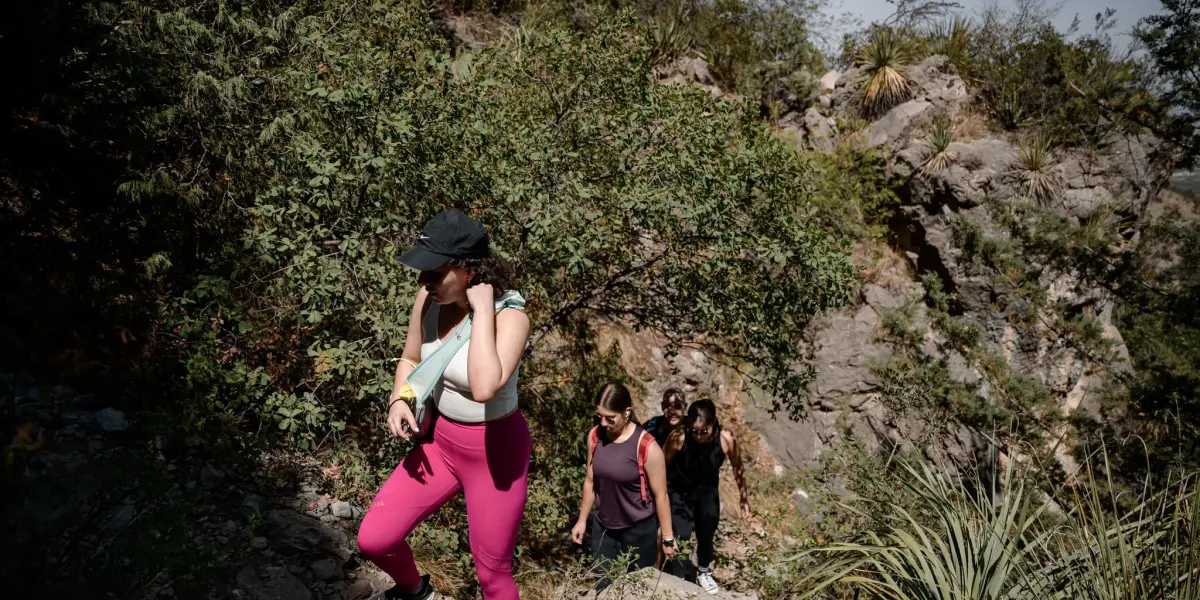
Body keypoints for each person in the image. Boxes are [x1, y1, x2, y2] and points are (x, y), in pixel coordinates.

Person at [357, 209, 532, 600]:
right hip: (442, 445)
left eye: (434, 273)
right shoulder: (428, 299)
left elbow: (484, 387)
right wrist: (398, 400)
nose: (424, 281)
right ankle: (416, 592)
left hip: (496, 455)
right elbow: (410, 359)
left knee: (492, 575)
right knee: (375, 539)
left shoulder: (511, 317)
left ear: (469, 270)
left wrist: (482, 309)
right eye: (423, 271)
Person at [570, 383, 677, 589]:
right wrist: (582, 520)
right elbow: (590, 481)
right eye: (599, 416)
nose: (603, 423)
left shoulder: (646, 446)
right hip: (604, 528)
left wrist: (667, 537)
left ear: (627, 412)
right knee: (603, 587)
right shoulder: (594, 436)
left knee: (636, 590)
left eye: (610, 418)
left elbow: (661, 495)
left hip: (639, 530)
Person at [662, 399, 751, 595]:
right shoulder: (678, 437)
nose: (699, 436)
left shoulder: (726, 439)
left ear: (714, 424)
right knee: (681, 534)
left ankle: (703, 571)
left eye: (704, 431)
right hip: (680, 490)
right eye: (694, 431)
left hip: (708, 490)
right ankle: (679, 575)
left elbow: (738, 467)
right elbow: (661, 465)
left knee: (707, 532)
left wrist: (743, 498)